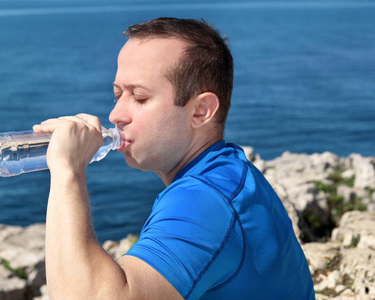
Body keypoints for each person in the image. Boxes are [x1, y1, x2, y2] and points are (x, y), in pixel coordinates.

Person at [33, 17, 315, 299]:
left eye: (140, 97)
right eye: (118, 94)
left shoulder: (206, 200)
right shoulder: (230, 174)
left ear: (200, 111)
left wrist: (67, 171)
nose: (115, 115)